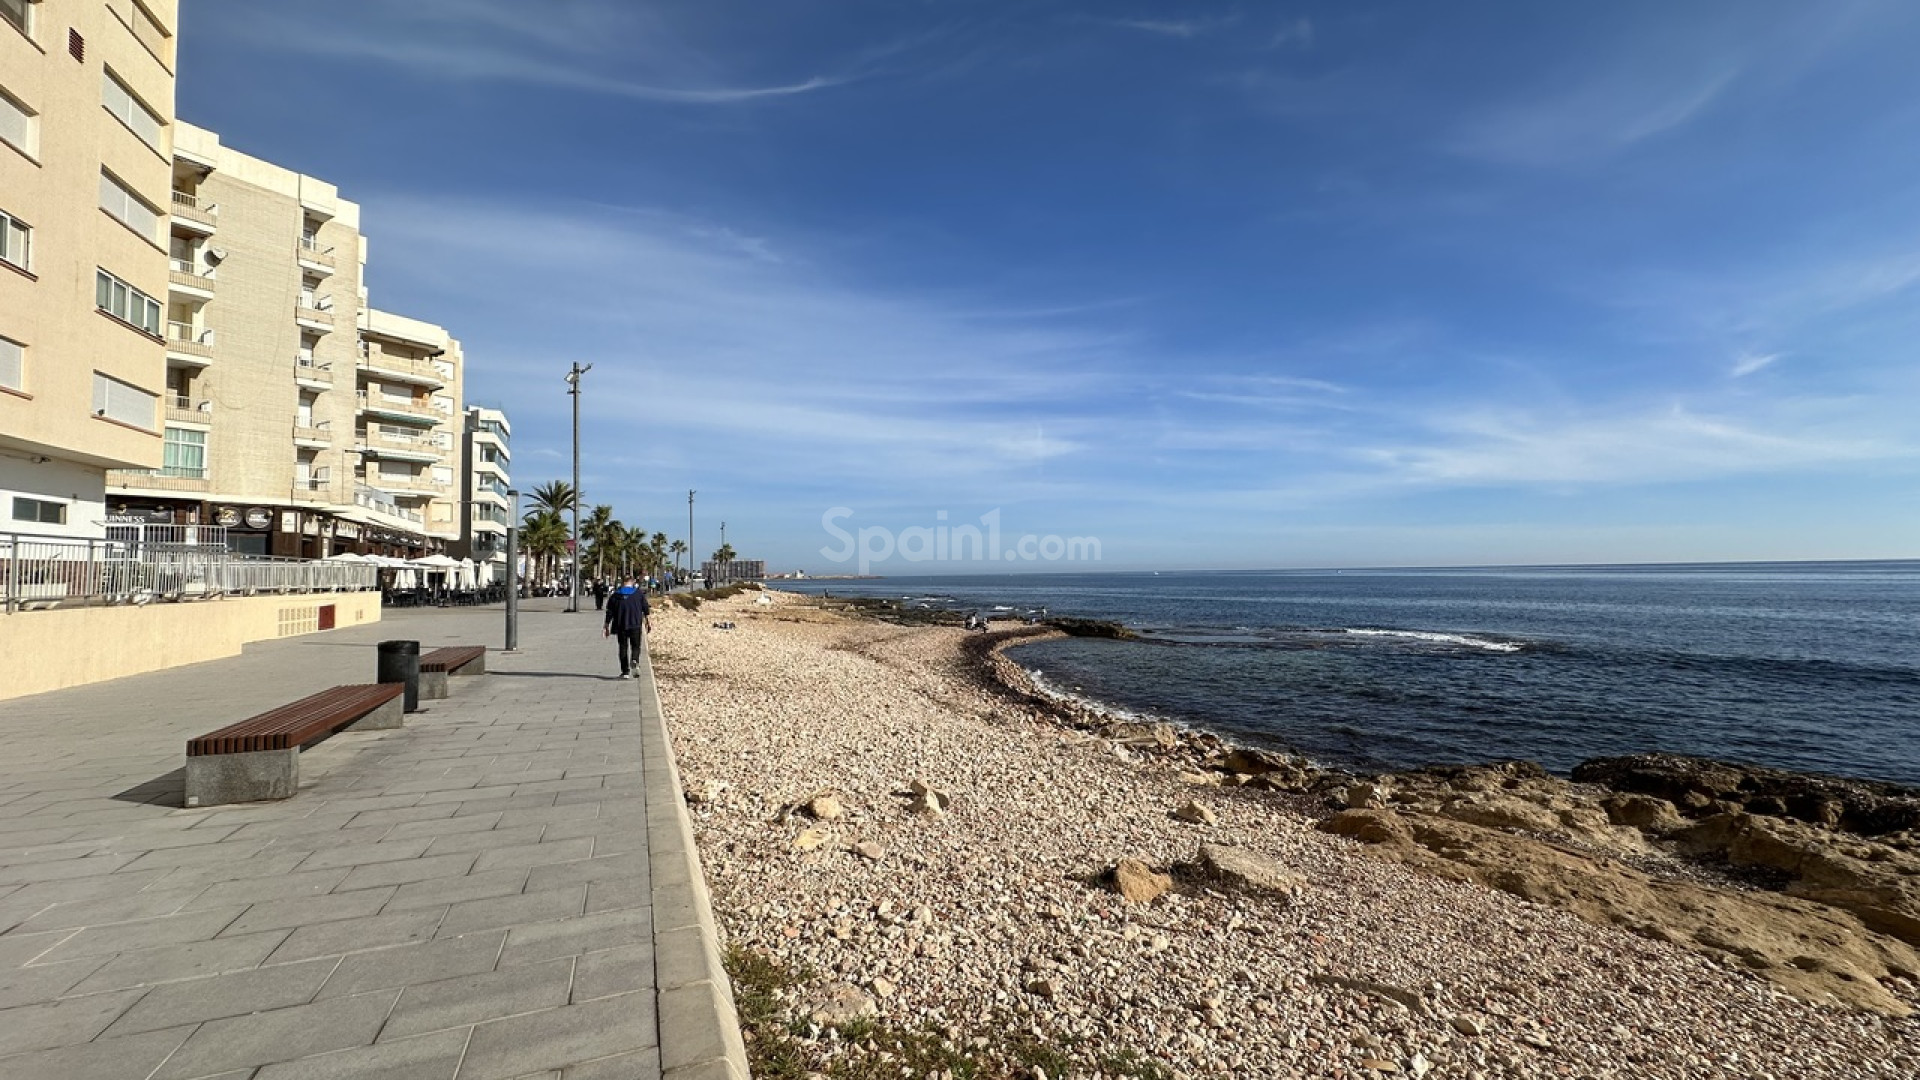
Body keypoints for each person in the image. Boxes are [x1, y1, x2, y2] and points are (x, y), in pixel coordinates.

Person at [603, 572, 652, 679]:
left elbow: (609, 612)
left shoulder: (615, 595)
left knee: (623, 647)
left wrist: (606, 625)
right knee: (635, 646)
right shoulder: (638, 594)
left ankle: (625, 672)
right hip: (635, 624)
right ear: (633, 581)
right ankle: (634, 660)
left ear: (622, 582)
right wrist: (648, 622)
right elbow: (645, 608)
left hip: (621, 625)